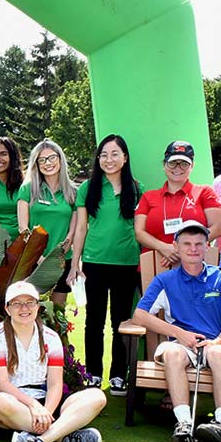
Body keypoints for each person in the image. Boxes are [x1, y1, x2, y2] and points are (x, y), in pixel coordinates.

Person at [131, 221, 221, 442]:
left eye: (199, 244)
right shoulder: (165, 280)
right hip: (179, 344)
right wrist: (179, 334)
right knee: (172, 353)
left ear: (207, 247)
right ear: (176, 248)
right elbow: (140, 315)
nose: (193, 249)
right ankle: (183, 423)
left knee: (219, 354)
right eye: (187, 244)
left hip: (216, 342)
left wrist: (218, 341)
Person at [0, 281, 108, 442]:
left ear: (38, 306)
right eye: (16, 303)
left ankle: (41, 440)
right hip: (12, 404)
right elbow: (2, 384)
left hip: (45, 403)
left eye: (29, 302)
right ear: (7, 309)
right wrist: (33, 406)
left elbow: (55, 384)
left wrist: (45, 412)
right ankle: (63, 435)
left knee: (97, 396)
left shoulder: (51, 337)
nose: (24, 308)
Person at [70, 134, 142, 395]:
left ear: (125, 158)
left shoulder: (137, 188)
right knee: (94, 321)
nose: (109, 160)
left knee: (121, 321)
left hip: (126, 264)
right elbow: (80, 228)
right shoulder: (87, 188)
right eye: (104, 154)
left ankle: (118, 376)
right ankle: (93, 374)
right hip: (94, 263)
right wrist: (74, 263)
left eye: (114, 154)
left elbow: (141, 228)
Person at [134, 141, 221, 266]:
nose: (178, 168)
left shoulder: (205, 192)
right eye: (172, 163)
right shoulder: (148, 197)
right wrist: (164, 248)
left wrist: (184, 249)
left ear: (192, 166)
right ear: (164, 165)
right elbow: (139, 232)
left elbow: (217, 228)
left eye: (184, 164)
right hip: (155, 266)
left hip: (196, 265)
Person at [17, 140, 78, 309]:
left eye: (52, 157)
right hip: (33, 261)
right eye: (41, 160)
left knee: (58, 313)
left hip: (61, 260)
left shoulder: (73, 192)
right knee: (33, 312)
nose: (47, 163)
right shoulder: (27, 189)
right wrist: (40, 258)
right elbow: (23, 228)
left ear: (60, 159)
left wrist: (56, 257)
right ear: (36, 164)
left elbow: (72, 232)